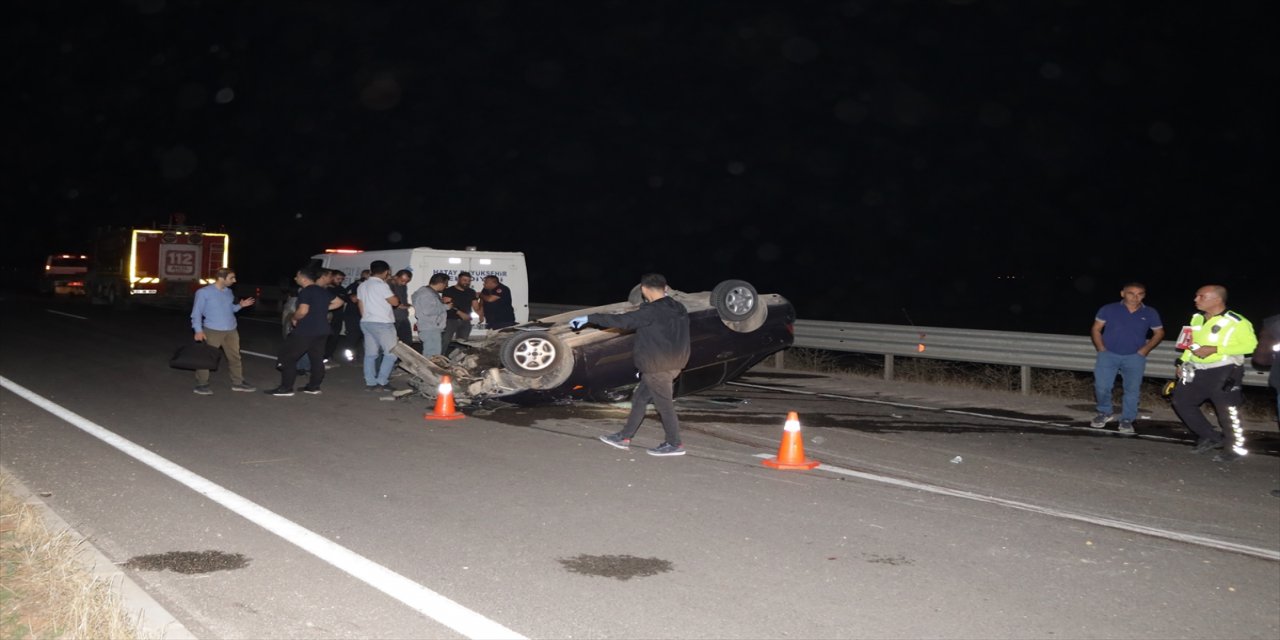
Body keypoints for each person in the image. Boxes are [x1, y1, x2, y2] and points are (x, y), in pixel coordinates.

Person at [572, 273, 691, 456]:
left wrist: (590, 317)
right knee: (640, 399)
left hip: (658, 367)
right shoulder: (679, 307)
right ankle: (624, 436)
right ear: (666, 288)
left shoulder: (651, 311)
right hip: (673, 362)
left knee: (664, 405)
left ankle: (675, 444)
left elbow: (623, 321)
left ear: (644, 289)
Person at [1171, 285, 1258, 463]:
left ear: (1217, 300)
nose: (1195, 300)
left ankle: (1234, 448)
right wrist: (1182, 362)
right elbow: (1191, 344)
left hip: (1224, 370)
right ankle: (1211, 437)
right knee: (1182, 401)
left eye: (1201, 296)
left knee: (1227, 410)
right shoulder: (1196, 319)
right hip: (1197, 369)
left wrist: (1216, 349)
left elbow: (1251, 346)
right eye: (1196, 296)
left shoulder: (1236, 321)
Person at [1088, 282, 1165, 435]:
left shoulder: (1150, 312)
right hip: (1108, 355)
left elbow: (1160, 333)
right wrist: (1101, 348)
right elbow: (1096, 329)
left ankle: (1127, 419)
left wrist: (1144, 350)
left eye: (1140, 294)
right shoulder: (1109, 309)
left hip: (1134, 357)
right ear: (1123, 293)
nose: (1135, 297)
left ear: (1144, 295)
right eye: (1131, 293)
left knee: (1132, 390)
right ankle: (1104, 412)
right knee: (1102, 386)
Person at [267, 267, 343, 396]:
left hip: (307, 330)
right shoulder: (323, 290)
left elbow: (302, 311)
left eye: (297, 276)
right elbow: (339, 302)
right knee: (317, 359)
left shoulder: (306, 291)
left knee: (288, 358)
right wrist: (322, 309)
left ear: (303, 278)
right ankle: (314, 386)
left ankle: (286, 388)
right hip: (322, 330)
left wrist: (294, 318)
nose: (295, 279)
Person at [189, 268, 256, 395]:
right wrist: (198, 330)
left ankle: (238, 383)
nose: (234, 280)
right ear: (221, 278)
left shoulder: (228, 292)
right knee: (206, 358)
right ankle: (202, 384)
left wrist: (240, 306)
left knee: (235, 357)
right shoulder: (204, 292)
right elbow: (196, 313)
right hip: (212, 330)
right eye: (231, 278)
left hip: (231, 330)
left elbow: (230, 309)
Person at [356, 260, 400, 391]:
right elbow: (394, 302)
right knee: (391, 354)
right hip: (382, 323)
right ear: (386, 272)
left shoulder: (362, 285)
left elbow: (360, 304)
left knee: (370, 354)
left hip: (366, 321)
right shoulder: (382, 285)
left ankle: (370, 383)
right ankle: (382, 381)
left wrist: (366, 317)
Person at [411, 273, 451, 357]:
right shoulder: (426, 294)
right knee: (432, 355)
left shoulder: (428, 292)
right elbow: (428, 310)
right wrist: (446, 306)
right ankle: (428, 370)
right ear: (441, 283)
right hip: (430, 328)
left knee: (432, 354)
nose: (446, 286)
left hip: (430, 327)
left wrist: (441, 302)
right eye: (446, 284)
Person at [441, 272, 479, 355]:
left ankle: (458, 361)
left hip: (465, 321)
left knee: (463, 343)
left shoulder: (471, 292)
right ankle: (439, 359)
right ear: (458, 279)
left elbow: (476, 306)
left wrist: (481, 314)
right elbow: (447, 304)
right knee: (445, 341)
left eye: (469, 281)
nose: (467, 282)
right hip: (450, 320)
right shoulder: (449, 290)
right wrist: (460, 313)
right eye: (464, 280)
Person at [342, 268, 370, 354]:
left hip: (365, 315)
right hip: (353, 315)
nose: (364, 280)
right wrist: (351, 297)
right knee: (352, 337)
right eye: (364, 278)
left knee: (365, 338)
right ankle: (349, 357)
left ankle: (360, 357)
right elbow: (344, 295)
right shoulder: (355, 285)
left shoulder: (371, 286)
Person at [390, 269, 414, 345]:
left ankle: (402, 357)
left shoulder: (403, 286)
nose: (404, 283)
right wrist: (399, 306)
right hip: (393, 318)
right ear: (396, 277)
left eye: (406, 281)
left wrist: (406, 305)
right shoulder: (388, 285)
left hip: (403, 316)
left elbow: (403, 298)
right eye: (402, 280)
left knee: (407, 341)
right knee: (391, 342)